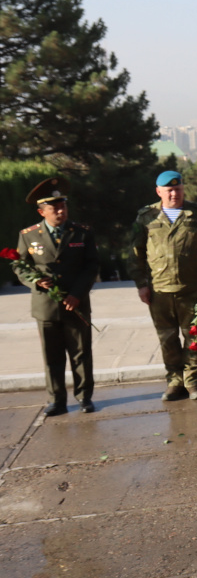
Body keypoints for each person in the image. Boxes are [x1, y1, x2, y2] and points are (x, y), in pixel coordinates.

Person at [131, 171, 197, 401]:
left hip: (191, 290)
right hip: (159, 292)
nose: (174, 193)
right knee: (167, 339)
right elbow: (135, 254)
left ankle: (192, 381)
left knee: (193, 339)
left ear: (183, 189)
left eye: (178, 189)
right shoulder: (146, 217)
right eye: (169, 190)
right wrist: (141, 284)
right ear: (158, 191)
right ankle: (174, 381)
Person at [14, 178, 99, 416]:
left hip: (76, 304)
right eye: (54, 208)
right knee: (52, 357)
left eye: (63, 206)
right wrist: (35, 281)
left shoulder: (82, 233)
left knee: (81, 354)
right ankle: (57, 401)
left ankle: (84, 397)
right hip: (46, 307)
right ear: (42, 211)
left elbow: (91, 266)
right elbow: (19, 266)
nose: (61, 211)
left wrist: (77, 295)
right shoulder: (28, 235)